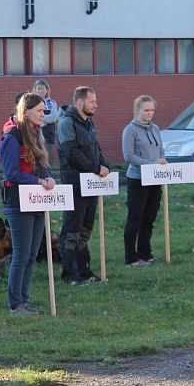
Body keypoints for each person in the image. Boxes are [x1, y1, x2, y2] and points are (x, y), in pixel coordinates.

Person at [0, 92, 53, 315]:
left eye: (43, 111)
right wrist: (38, 180)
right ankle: (15, 304)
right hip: (18, 201)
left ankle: (24, 300)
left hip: (38, 200)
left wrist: (48, 176)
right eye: (39, 111)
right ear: (26, 111)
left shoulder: (36, 133)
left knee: (32, 254)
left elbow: (42, 163)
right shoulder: (12, 136)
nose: (43, 115)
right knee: (21, 254)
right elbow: (11, 172)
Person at [57, 86, 109, 286]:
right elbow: (71, 153)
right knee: (72, 229)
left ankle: (84, 269)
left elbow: (97, 148)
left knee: (85, 230)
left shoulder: (89, 124)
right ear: (79, 102)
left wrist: (104, 165)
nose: (96, 104)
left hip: (92, 185)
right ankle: (70, 273)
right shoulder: (66, 123)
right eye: (92, 101)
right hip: (75, 184)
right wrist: (96, 167)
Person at [122, 95, 167, 267]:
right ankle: (130, 257)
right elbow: (129, 156)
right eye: (146, 110)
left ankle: (145, 253)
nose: (149, 113)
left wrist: (162, 160)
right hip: (137, 179)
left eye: (152, 110)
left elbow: (161, 150)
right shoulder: (130, 130)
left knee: (149, 218)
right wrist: (149, 164)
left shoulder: (155, 128)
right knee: (135, 218)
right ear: (137, 111)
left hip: (155, 179)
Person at [34, 80, 59, 165]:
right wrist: (44, 119)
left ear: (47, 90)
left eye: (42, 89)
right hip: (34, 132)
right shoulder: (32, 102)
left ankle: (48, 175)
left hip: (48, 133)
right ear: (35, 90)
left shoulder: (52, 102)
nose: (40, 91)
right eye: (38, 89)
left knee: (48, 156)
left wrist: (40, 117)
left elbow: (53, 117)